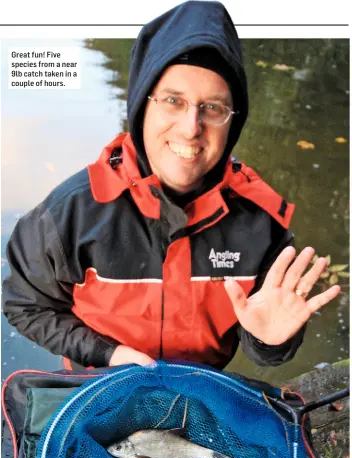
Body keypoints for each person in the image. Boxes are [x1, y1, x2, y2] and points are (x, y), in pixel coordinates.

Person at [2, 0, 340, 371]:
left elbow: (263, 343)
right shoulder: (71, 212)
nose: (191, 127)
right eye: (173, 101)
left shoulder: (261, 223)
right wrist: (108, 354)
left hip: (197, 396)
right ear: (141, 105)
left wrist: (269, 340)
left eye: (212, 107)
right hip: (95, 387)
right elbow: (25, 305)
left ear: (233, 121)